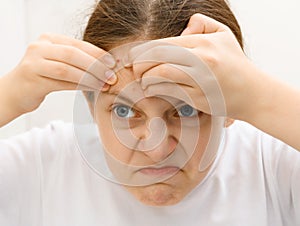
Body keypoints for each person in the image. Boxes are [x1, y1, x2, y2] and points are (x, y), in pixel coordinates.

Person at [0, 0, 299, 225]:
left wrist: (260, 97)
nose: (156, 150)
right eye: (123, 110)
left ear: (230, 108)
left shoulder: (272, 163)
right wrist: (8, 96)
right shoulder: (43, 165)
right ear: (91, 107)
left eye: (186, 110)